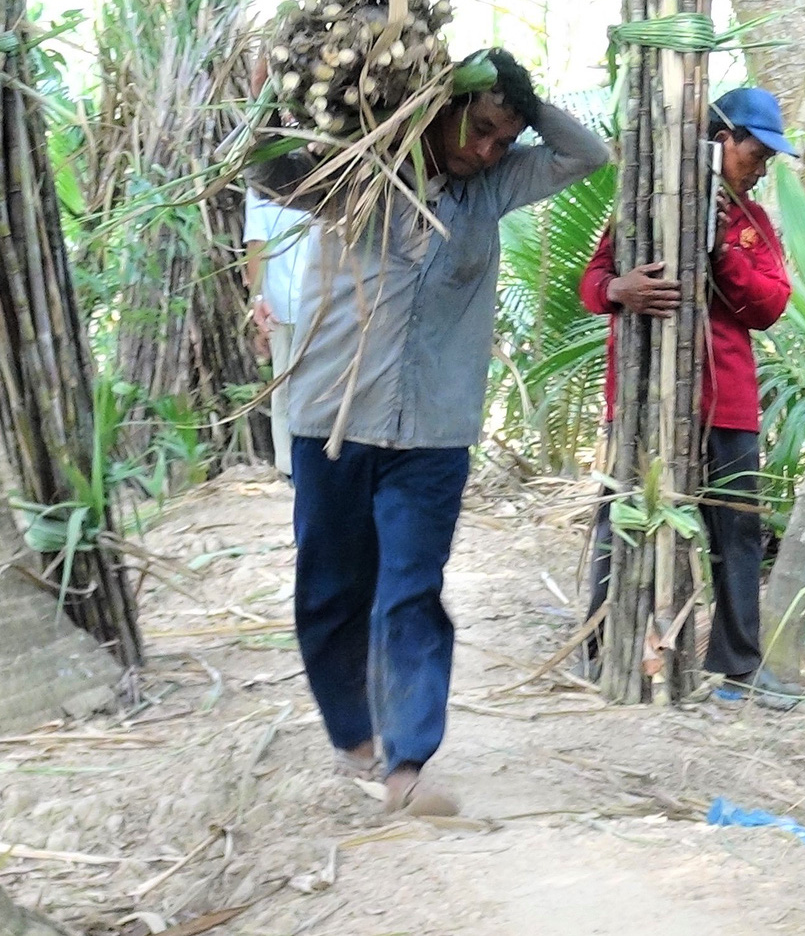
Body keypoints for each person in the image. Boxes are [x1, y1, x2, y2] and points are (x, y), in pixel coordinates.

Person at [247, 48, 609, 818]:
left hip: (435, 434)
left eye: (502, 141)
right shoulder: (356, 169)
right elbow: (266, 171)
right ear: (440, 110)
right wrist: (281, 111)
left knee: (412, 590)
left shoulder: (497, 187)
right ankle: (353, 732)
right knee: (333, 588)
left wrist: (514, 98)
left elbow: (588, 153)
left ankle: (406, 761)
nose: (488, 152)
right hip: (333, 421)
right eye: (478, 130)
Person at [579, 86, 795, 704]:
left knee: (737, 532)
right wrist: (620, 291)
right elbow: (592, 283)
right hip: (645, 399)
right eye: (756, 153)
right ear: (722, 140)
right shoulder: (644, 207)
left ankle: (736, 670)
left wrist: (720, 251)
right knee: (620, 520)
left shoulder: (750, 223)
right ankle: (602, 649)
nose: (762, 166)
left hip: (726, 401)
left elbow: (772, 304)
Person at [243, 187, 313, 480]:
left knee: (296, 385)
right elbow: (256, 243)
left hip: (319, 301)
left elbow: (255, 244)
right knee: (287, 385)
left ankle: (303, 463)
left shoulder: (327, 168)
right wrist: (258, 298)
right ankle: (291, 466)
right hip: (287, 305)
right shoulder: (259, 185)